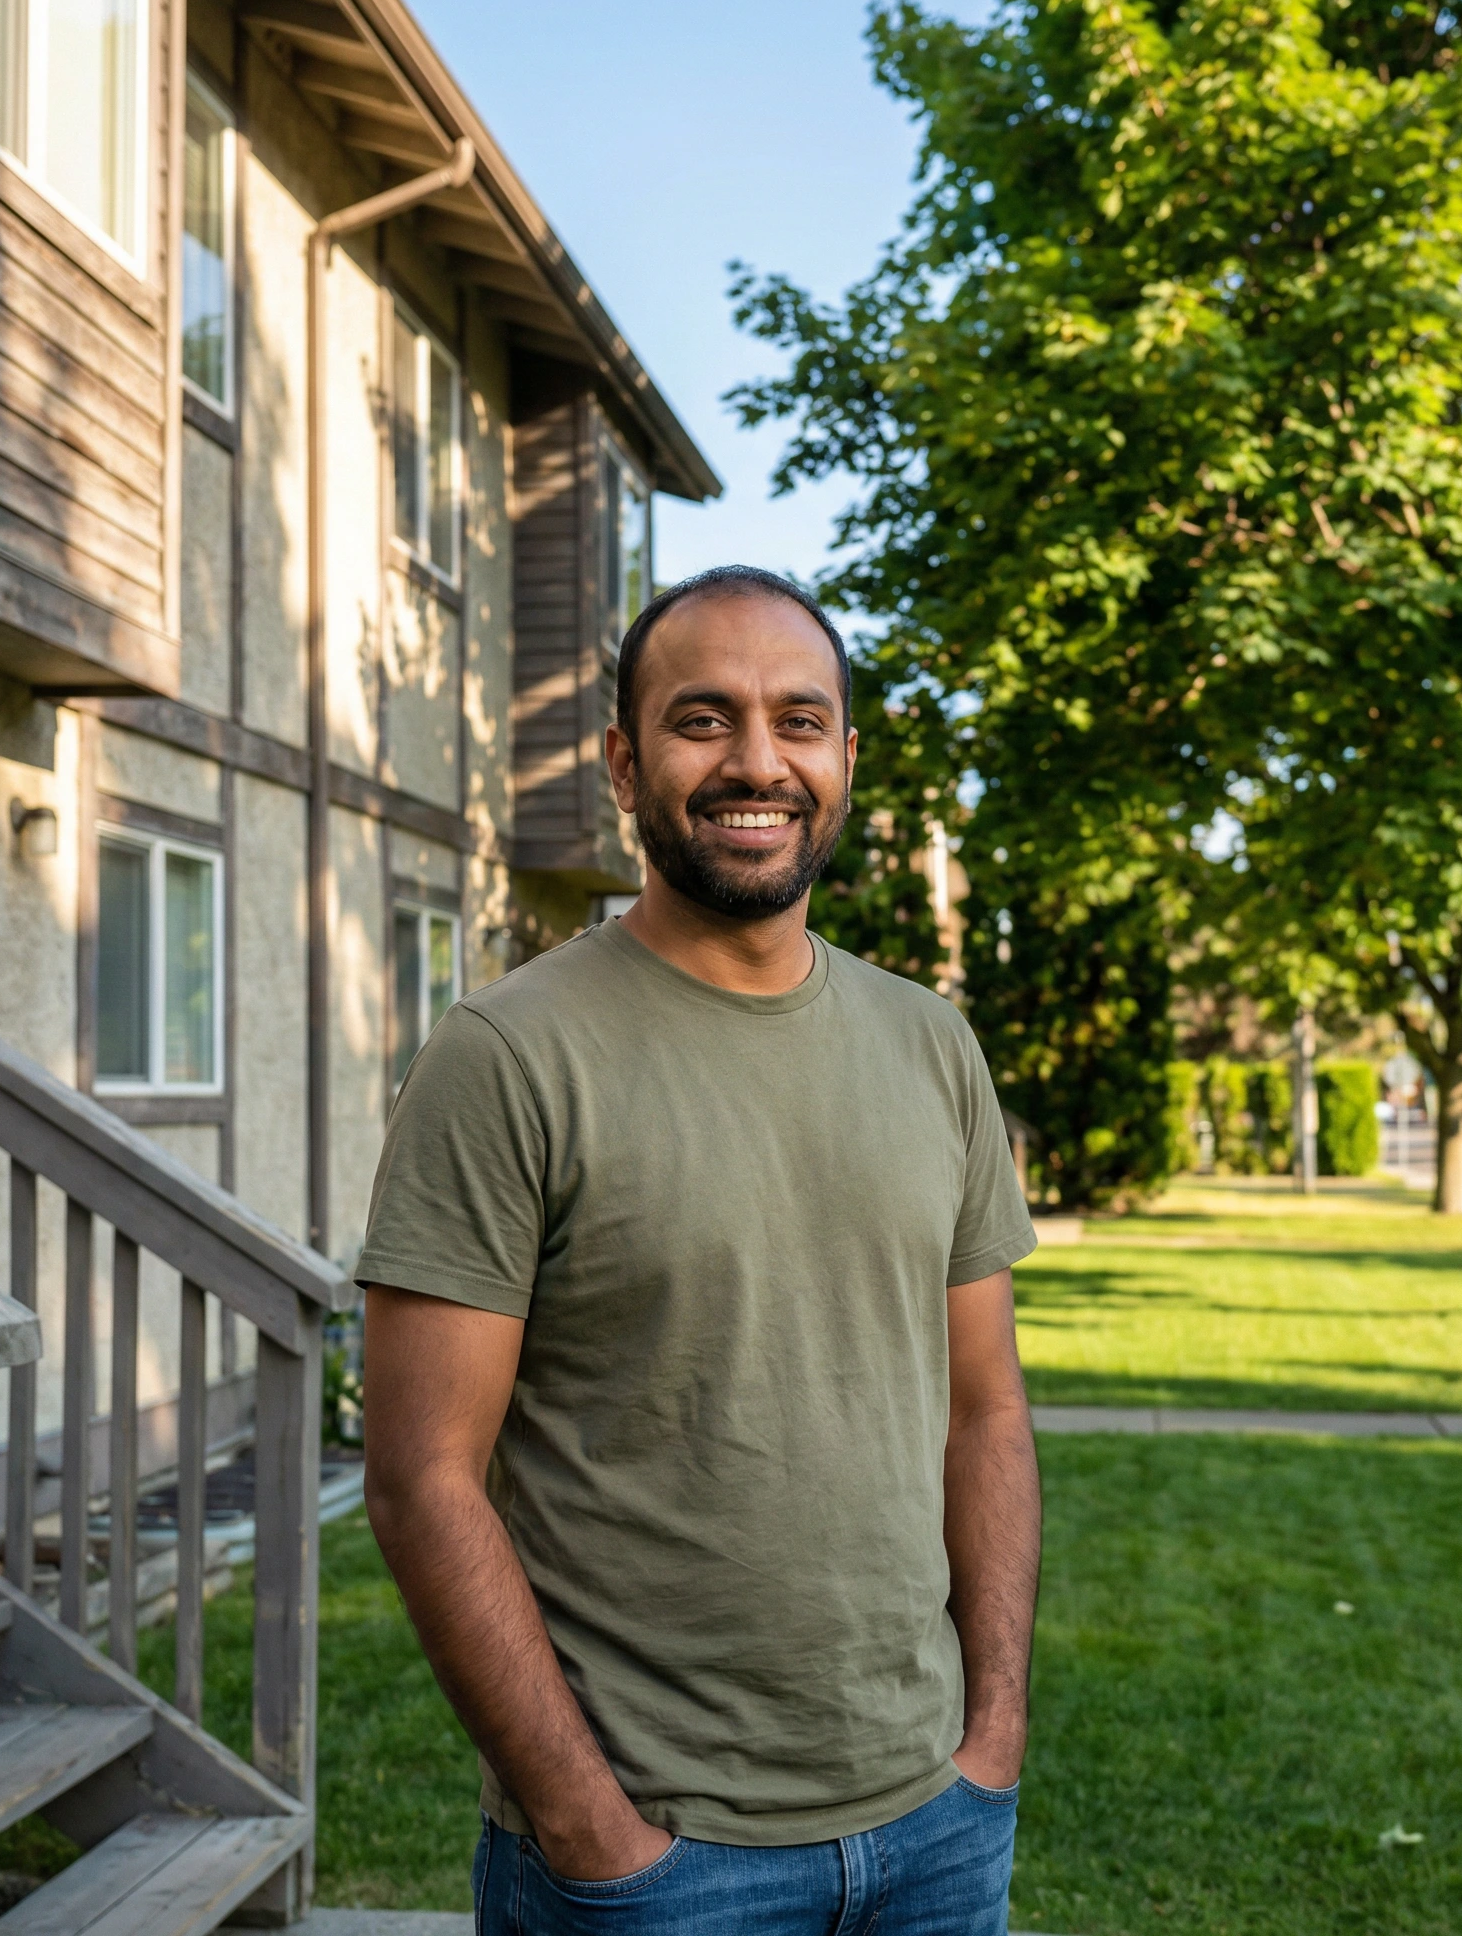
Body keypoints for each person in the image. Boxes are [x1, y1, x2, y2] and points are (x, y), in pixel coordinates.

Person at [358, 566, 1040, 1934]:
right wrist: (590, 1828)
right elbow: (424, 1479)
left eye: (800, 719)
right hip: (654, 1863)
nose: (756, 762)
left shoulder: (932, 1044)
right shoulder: (506, 1058)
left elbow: (987, 1410)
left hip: (935, 1833)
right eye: (701, 719)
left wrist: (992, 1741)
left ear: (845, 756)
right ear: (623, 761)